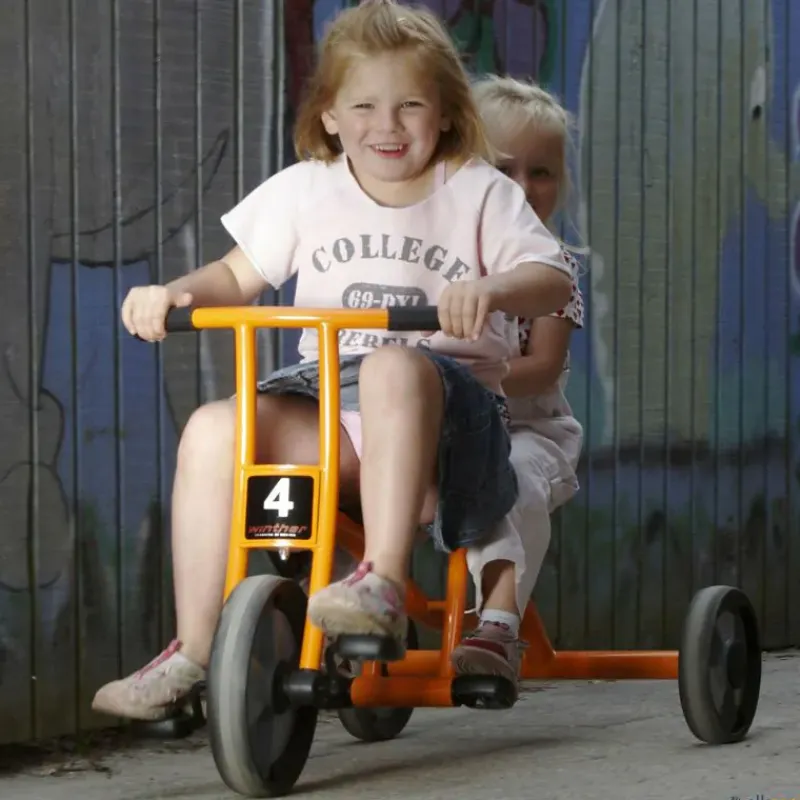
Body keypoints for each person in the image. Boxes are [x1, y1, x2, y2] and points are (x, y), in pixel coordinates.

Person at [90, 0, 573, 722]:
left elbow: (553, 278)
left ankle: (382, 581)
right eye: (365, 106)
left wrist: (493, 289)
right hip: (328, 407)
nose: (387, 125)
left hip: (447, 424)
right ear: (330, 116)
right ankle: (194, 648)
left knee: (390, 365)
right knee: (214, 429)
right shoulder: (307, 190)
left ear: (446, 113)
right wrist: (173, 294)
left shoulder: (480, 192)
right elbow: (233, 276)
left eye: (411, 105)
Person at [450, 76, 585, 684]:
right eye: (503, 170)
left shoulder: (554, 269)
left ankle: (499, 625)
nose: (523, 188)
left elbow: (544, 367)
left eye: (542, 172)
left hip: (531, 430)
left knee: (515, 474)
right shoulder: (445, 259)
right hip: (448, 432)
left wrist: (460, 382)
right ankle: (348, 612)